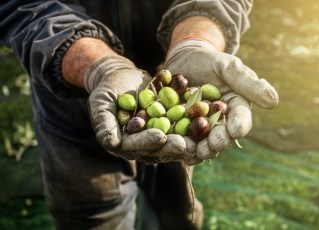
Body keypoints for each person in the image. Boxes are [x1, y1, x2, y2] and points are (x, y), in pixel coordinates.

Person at [0, 0, 278, 229]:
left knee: (176, 210)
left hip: (178, 72)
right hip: (71, 99)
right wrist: (100, 67)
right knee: (91, 218)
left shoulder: (178, 103)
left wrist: (195, 42)